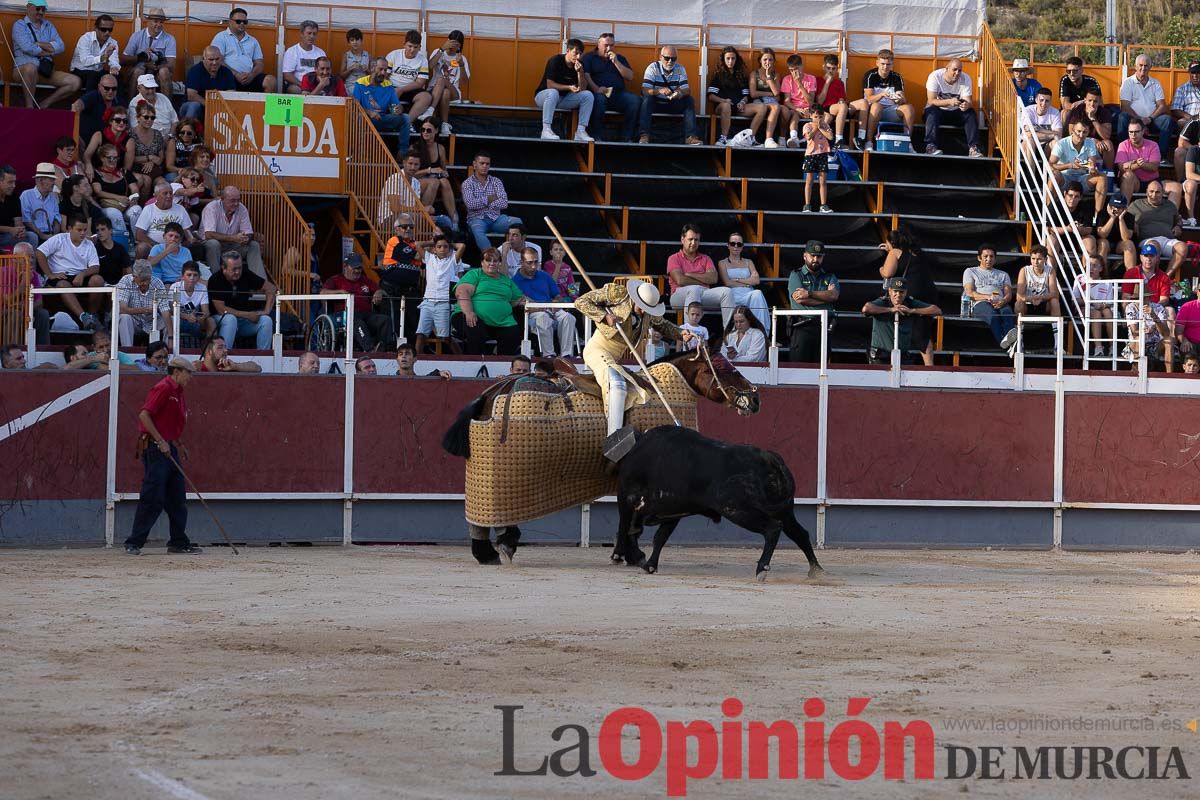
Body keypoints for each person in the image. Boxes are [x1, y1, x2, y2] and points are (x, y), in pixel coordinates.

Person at [574, 278, 692, 432]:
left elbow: (662, 325)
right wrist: (604, 316)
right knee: (617, 384)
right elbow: (581, 301)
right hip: (597, 349)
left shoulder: (648, 313)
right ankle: (613, 436)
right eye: (641, 307)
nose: (643, 312)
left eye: (647, 310)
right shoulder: (618, 294)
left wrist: (681, 333)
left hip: (614, 358)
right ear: (636, 299)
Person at [124, 356, 200, 555]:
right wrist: (160, 441)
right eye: (188, 373)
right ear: (176, 372)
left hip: (168, 446)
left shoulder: (178, 391)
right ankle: (134, 542)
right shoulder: (164, 387)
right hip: (155, 447)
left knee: (177, 497)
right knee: (153, 497)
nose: (190, 377)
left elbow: (169, 422)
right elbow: (144, 415)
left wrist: (178, 443)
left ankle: (178, 542)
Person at [878, 227, 939, 366]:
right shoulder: (917, 253)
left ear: (892, 243)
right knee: (923, 333)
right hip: (929, 294)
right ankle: (930, 367)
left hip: (910, 293)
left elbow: (887, 273)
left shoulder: (895, 252)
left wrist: (881, 266)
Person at [35, 214, 104, 330]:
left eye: (85, 230)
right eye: (79, 230)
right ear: (69, 229)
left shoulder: (89, 244)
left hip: (80, 275)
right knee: (63, 284)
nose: (82, 233)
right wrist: (50, 274)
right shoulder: (59, 239)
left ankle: (92, 316)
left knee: (98, 280)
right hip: (60, 276)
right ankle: (83, 317)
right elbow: (39, 253)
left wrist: (82, 274)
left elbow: (95, 267)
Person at [451, 248, 525, 355]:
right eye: (488, 260)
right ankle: (475, 363)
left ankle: (500, 363)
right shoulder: (475, 274)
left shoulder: (506, 280)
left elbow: (519, 298)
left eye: (495, 261)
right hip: (471, 316)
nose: (492, 263)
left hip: (503, 321)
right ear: (482, 262)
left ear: (499, 263)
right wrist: (469, 312)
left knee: (513, 334)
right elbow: (462, 292)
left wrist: (539, 305)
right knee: (475, 330)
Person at [11, 0, 80, 108]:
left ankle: (44, 104)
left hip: (45, 71)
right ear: (28, 7)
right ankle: (29, 108)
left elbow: (61, 46)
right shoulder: (19, 25)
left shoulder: (49, 25)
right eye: (38, 8)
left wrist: (38, 44)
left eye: (43, 9)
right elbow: (28, 48)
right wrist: (50, 50)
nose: (41, 12)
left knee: (75, 82)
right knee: (30, 68)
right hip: (22, 70)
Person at [321, 252, 395, 352]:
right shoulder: (335, 280)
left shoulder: (365, 280)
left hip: (366, 314)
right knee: (357, 322)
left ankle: (387, 350)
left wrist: (378, 292)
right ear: (345, 266)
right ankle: (371, 350)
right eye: (354, 268)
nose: (357, 271)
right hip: (344, 315)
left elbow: (379, 289)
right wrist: (339, 292)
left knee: (385, 320)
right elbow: (322, 293)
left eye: (359, 268)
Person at [513, 247, 576, 358]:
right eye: (529, 262)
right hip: (533, 313)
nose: (533, 266)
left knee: (569, 317)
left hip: (551, 307)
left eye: (536, 262)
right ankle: (549, 355)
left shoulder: (548, 274)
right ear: (521, 262)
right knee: (543, 317)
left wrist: (558, 302)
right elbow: (518, 303)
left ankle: (567, 356)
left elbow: (560, 294)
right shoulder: (515, 281)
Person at [862, 276, 942, 364]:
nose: (898, 295)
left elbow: (937, 310)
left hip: (903, 357)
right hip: (880, 357)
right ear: (889, 291)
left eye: (901, 292)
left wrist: (912, 311)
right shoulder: (883, 302)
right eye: (895, 291)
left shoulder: (910, 303)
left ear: (906, 292)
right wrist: (890, 309)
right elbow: (866, 309)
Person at [207, 250, 275, 350]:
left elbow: (271, 288)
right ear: (224, 268)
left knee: (266, 320)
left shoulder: (246, 274)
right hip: (221, 320)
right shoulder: (215, 279)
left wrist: (266, 311)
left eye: (240, 268)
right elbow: (221, 310)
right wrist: (247, 315)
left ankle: (262, 357)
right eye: (234, 269)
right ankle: (223, 357)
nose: (238, 272)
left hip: (243, 321)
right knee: (230, 319)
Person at [667, 223, 733, 326]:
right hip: (678, 296)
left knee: (727, 292)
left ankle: (730, 336)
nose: (693, 243)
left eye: (696, 240)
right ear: (682, 239)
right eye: (690, 239)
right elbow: (680, 280)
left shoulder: (705, 258)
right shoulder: (674, 258)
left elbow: (713, 278)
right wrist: (703, 278)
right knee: (694, 289)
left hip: (703, 293)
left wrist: (690, 274)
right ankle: (689, 335)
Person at [850, 49, 915, 152]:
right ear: (877, 63)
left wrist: (899, 99)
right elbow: (869, 98)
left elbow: (903, 99)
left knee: (909, 108)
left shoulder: (897, 77)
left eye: (888, 64)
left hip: (891, 110)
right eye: (883, 64)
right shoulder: (870, 75)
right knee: (877, 106)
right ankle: (869, 142)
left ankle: (907, 142)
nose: (885, 67)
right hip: (872, 111)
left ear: (892, 64)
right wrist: (882, 95)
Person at [787, 240, 840, 362]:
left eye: (819, 256)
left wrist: (809, 293)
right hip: (802, 327)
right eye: (813, 255)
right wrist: (826, 300)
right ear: (805, 255)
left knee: (821, 371)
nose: (815, 259)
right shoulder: (796, 275)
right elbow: (801, 300)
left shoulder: (829, 276)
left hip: (824, 327)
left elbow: (834, 295)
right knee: (798, 370)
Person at [582, 33, 640, 143]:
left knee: (634, 100)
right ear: (598, 44)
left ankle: (626, 137)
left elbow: (630, 76)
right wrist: (596, 89)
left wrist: (616, 62)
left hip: (617, 94)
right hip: (598, 93)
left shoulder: (620, 58)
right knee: (599, 99)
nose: (609, 48)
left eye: (612, 45)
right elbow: (586, 76)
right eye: (606, 45)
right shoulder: (589, 57)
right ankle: (596, 135)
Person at [962, 242, 1019, 354]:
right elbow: (969, 292)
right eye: (985, 256)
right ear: (979, 258)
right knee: (993, 316)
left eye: (991, 256)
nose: (989, 259)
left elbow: (1008, 294)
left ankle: (1010, 345)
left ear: (995, 259)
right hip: (980, 303)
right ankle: (1008, 346)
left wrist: (1003, 300)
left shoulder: (1003, 274)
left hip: (1000, 302)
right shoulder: (970, 271)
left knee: (1007, 312)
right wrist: (988, 297)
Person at [414, 233, 465, 355]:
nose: (442, 249)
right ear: (435, 249)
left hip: (443, 303)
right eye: (439, 247)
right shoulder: (429, 258)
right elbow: (417, 244)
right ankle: (416, 360)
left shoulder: (453, 259)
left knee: (445, 337)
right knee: (421, 334)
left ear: (449, 248)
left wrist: (446, 242)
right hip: (427, 301)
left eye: (445, 247)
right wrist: (435, 242)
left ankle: (462, 357)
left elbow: (462, 246)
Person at [639, 45, 700, 145]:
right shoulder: (652, 68)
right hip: (655, 104)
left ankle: (690, 137)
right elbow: (644, 89)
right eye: (667, 58)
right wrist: (658, 91)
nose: (670, 61)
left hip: (672, 103)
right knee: (647, 99)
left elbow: (687, 90)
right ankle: (644, 135)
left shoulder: (680, 68)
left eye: (673, 58)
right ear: (660, 57)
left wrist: (680, 93)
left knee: (689, 100)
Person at [462, 151, 521, 255]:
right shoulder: (467, 184)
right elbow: (470, 204)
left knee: (517, 222)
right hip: (476, 219)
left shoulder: (496, 181)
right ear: (475, 164)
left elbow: (504, 203)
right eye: (482, 163)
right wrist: (490, 199)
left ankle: (515, 255)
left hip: (496, 219)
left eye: (487, 164)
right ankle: (491, 257)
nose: (485, 166)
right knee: (478, 231)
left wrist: (483, 203)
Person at [706, 46, 767, 147]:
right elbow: (711, 96)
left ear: (736, 59)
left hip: (738, 108)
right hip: (722, 107)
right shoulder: (718, 75)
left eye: (733, 58)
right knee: (726, 106)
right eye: (728, 58)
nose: (730, 61)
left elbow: (746, 95)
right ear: (723, 60)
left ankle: (749, 138)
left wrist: (743, 102)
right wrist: (724, 100)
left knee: (762, 107)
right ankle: (723, 139)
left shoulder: (741, 75)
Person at [535, 39, 593, 142]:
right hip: (544, 97)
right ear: (567, 51)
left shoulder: (580, 64)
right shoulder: (556, 60)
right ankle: (546, 130)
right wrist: (569, 87)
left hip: (564, 99)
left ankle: (580, 131)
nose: (578, 57)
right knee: (553, 92)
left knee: (588, 95)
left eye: (580, 54)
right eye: (575, 53)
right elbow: (550, 84)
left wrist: (580, 73)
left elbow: (583, 89)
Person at [199, 186, 263, 279]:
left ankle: (260, 283)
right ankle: (216, 281)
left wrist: (246, 238)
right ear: (222, 199)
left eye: (238, 200)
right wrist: (234, 238)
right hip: (212, 245)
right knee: (213, 244)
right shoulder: (211, 208)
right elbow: (209, 234)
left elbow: (249, 232)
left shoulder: (242, 208)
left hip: (232, 245)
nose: (236, 203)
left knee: (253, 245)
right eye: (232, 200)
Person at [353, 57, 412, 156]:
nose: (383, 73)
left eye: (385, 70)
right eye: (380, 69)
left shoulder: (388, 85)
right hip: (367, 120)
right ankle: (360, 153)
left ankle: (402, 153)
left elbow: (395, 106)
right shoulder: (360, 83)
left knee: (406, 117)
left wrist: (398, 109)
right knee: (359, 116)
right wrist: (369, 112)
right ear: (372, 68)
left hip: (383, 119)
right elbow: (355, 106)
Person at [1127, 180, 1187, 276]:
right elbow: (1126, 220)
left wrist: (1178, 226)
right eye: (1151, 191)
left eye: (1157, 192)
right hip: (1147, 240)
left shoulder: (1170, 206)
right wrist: (1133, 225)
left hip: (1167, 240)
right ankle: (1153, 278)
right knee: (1154, 245)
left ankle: (1165, 277)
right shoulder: (1136, 204)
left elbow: (1178, 219)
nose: (1154, 195)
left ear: (1163, 193)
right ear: (1146, 191)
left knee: (1183, 247)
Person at [923, 59, 982, 157]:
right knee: (931, 111)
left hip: (956, 113)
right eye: (954, 70)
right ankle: (930, 146)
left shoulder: (966, 78)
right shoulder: (935, 76)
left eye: (960, 70)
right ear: (946, 69)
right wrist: (949, 102)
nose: (957, 73)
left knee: (970, 113)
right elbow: (931, 100)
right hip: (939, 112)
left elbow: (968, 100)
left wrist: (966, 105)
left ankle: (973, 148)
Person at [1118, 54, 1173, 158]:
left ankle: (1161, 157)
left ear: (1150, 67)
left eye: (1146, 65)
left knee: (1167, 120)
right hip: (1133, 120)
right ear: (1135, 66)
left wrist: (1150, 118)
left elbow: (1162, 106)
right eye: (1141, 65)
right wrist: (1140, 121)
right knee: (1122, 117)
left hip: (1151, 120)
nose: (1143, 68)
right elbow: (1125, 106)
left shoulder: (1155, 83)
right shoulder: (1128, 82)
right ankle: (1123, 155)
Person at [211, 8, 275, 93]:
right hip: (228, 76)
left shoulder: (253, 41)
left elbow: (259, 63)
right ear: (230, 22)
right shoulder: (221, 37)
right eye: (238, 21)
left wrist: (252, 75)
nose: (242, 24)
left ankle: (264, 107)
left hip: (249, 77)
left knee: (271, 80)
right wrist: (236, 74)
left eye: (245, 22)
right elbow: (218, 61)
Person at [1049, 120, 1107, 212]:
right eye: (1079, 131)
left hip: (1082, 178)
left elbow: (1092, 162)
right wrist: (1069, 165)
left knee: (1102, 177)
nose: (1081, 135)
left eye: (1084, 132)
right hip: (1065, 177)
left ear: (1088, 132)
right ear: (1072, 130)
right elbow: (1050, 165)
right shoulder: (1062, 143)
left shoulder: (1090, 142)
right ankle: (1049, 212)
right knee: (1054, 175)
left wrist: (1092, 168)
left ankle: (1097, 216)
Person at [717, 233, 770, 333]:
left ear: (742, 247)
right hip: (732, 295)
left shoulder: (748, 262)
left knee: (757, 293)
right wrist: (747, 282)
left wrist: (737, 280)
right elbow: (727, 282)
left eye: (739, 244)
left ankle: (762, 334)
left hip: (748, 293)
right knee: (755, 294)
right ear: (728, 245)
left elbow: (756, 280)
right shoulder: (722, 263)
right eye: (733, 243)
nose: (736, 246)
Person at [121, 7, 175, 101]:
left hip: (157, 74)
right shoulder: (136, 36)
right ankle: (131, 106)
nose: (158, 25)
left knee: (164, 72)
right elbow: (123, 60)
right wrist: (141, 57)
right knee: (138, 71)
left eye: (161, 22)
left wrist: (156, 66)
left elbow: (171, 64)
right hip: (138, 72)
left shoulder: (169, 39)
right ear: (148, 21)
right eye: (155, 21)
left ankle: (167, 108)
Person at [115, 259, 170, 346]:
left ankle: (169, 348)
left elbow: (165, 310)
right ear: (134, 276)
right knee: (124, 317)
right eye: (141, 280)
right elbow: (122, 309)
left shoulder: (158, 283)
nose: (145, 283)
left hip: (152, 321)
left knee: (170, 319)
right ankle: (128, 350)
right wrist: (142, 310)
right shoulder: (125, 281)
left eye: (147, 279)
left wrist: (171, 337)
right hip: (134, 322)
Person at [413, 120, 457, 229]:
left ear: (436, 131)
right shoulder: (415, 147)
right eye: (423, 130)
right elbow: (411, 174)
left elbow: (444, 169)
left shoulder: (440, 148)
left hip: (434, 180)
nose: (425, 132)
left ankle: (454, 220)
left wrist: (443, 172)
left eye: (428, 130)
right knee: (435, 182)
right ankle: (422, 217)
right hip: (417, 181)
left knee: (444, 181)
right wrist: (429, 170)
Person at [128, 90, 174, 194]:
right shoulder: (130, 134)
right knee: (146, 181)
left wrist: (152, 161)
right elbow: (128, 159)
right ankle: (141, 207)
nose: (149, 120)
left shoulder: (157, 134)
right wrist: (149, 157)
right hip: (136, 169)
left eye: (152, 117)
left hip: (154, 169)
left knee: (163, 185)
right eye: (146, 117)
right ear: (138, 118)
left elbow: (160, 157)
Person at [1071, 253, 1116, 358]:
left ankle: (1112, 346)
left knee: (1108, 312)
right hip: (1083, 309)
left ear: (1101, 268)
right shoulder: (1080, 279)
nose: (1091, 268)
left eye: (1095, 265)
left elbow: (1110, 303)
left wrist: (1101, 305)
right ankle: (1098, 348)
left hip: (1101, 309)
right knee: (1096, 313)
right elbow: (1075, 301)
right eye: (1089, 264)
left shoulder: (1107, 283)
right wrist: (1090, 302)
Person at [133, 182, 193, 259]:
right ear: (156, 196)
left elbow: (187, 231)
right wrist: (160, 247)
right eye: (165, 193)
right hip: (154, 247)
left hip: (175, 248)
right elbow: (139, 235)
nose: (169, 196)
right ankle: (139, 270)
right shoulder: (149, 209)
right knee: (142, 247)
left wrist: (191, 239)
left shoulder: (180, 209)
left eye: (171, 193)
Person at [384, 29, 433, 122]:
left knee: (426, 97)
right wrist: (391, 89)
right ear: (404, 44)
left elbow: (420, 82)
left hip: (410, 89)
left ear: (420, 47)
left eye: (416, 47)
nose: (412, 50)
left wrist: (401, 89)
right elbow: (384, 76)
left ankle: (407, 123)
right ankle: (393, 121)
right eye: (409, 46)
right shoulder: (394, 55)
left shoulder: (422, 60)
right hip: (392, 87)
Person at [427, 31, 468, 138]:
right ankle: (445, 125)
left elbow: (464, 82)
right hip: (435, 90)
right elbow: (430, 67)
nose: (452, 46)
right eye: (451, 42)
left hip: (454, 92)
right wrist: (442, 49)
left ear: (460, 45)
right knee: (445, 92)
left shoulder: (461, 58)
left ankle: (430, 109)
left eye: (456, 44)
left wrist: (461, 65)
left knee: (442, 80)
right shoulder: (438, 51)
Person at [72, 74, 127, 151]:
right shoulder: (93, 96)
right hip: (85, 142)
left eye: (114, 89)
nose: (110, 91)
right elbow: (75, 106)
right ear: (99, 87)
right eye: (107, 88)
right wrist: (76, 135)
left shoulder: (120, 103)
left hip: (108, 145)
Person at [1064, 88, 1116, 168]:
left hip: (1099, 147)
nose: (1092, 104)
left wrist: (1092, 118)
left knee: (1108, 144)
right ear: (1085, 100)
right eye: (1089, 100)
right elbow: (1072, 133)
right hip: (1080, 142)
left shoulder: (1104, 112)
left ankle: (1109, 174)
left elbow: (1106, 136)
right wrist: (1092, 141)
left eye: (1095, 101)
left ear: (1099, 102)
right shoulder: (1077, 111)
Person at [69, 14, 120, 93]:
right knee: (93, 76)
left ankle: (118, 104)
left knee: (118, 77)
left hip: (97, 72)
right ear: (96, 28)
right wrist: (104, 57)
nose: (107, 33)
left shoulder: (113, 42)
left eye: (110, 30)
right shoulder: (85, 39)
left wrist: (114, 68)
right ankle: (88, 103)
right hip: (79, 70)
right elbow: (85, 61)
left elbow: (114, 59)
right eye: (103, 29)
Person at [180, 46, 235, 119]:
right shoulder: (195, 71)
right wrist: (211, 106)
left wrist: (220, 107)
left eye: (217, 59)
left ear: (221, 58)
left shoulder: (227, 72)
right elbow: (191, 95)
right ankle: (186, 128)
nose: (214, 63)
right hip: (194, 107)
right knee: (194, 106)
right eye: (211, 60)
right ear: (203, 59)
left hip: (219, 108)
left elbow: (232, 94)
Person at [1169, 63, 1200, 183]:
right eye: (1192, 73)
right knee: (1179, 152)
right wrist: (1191, 118)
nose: (1195, 75)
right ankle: (1182, 182)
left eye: (1197, 72)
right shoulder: (1183, 89)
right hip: (1190, 124)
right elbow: (1175, 109)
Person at [748, 49, 785, 148]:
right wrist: (770, 93)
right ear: (760, 60)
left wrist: (769, 77)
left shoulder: (775, 75)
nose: (767, 62)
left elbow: (777, 93)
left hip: (772, 102)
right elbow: (753, 94)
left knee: (781, 109)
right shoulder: (754, 74)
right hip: (759, 102)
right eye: (765, 59)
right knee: (775, 107)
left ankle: (776, 139)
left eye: (770, 60)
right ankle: (763, 139)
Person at [170, 260, 214, 342]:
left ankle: (208, 346)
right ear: (182, 276)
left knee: (210, 321)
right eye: (189, 275)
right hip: (179, 320)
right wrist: (187, 317)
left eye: (195, 275)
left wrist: (202, 317)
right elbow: (172, 310)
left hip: (195, 320)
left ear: (199, 277)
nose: (192, 278)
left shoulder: (202, 288)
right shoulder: (175, 287)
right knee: (172, 320)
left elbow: (206, 311)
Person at [779, 54, 817, 147]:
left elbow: (811, 102)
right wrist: (797, 109)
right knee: (795, 115)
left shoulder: (811, 79)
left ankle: (807, 139)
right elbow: (787, 101)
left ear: (802, 66)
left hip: (809, 108)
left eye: (796, 69)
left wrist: (799, 83)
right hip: (794, 108)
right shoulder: (787, 79)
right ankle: (794, 137)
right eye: (791, 70)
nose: (794, 73)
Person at [1014, 245, 1061, 317]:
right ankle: (1019, 327)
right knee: (1018, 303)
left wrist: (1041, 298)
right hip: (1028, 303)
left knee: (1055, 301)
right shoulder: (1024, 270)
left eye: (1039, 259)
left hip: (1044, 302)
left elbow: (1054, 294)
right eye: (1033, 258)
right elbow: (1019, 295)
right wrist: (1032, 299)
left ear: (1045, 259)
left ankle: (1056, 327)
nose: (1035, 262)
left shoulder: (1050, 270)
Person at [801, 112, 834, 213]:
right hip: (811, 155)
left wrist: (821, 127)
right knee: (809, 180)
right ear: (811, 116)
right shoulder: (807, 126)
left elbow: (830, 137)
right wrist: (816, 127)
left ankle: (823, 205)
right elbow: (808, 137)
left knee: (823, 181)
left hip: (823, 154)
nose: (818, 119)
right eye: (815, 117)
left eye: (820, 117)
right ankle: (807, 205)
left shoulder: (825, 125)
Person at [282, 19, 325, 94]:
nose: (312, 36)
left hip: (317, 85)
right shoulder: (292, 51)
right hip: (298, 85)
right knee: (295, 90)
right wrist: (304, 86)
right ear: (301, 34)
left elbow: (325, 72)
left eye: (314, 34)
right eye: (309, 33)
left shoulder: (320, 53)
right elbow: (287, 75)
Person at [20, 163, 61, 243]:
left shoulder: (53, 197)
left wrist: (55, 236)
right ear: (40, 180)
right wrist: (42, 235)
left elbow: (57, 219)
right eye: (51, 180)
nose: (54, 183)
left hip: (50, 235)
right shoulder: (26, 195)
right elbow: (27, 220)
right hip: (34, 235)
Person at [815, 54, 849, 148]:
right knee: (836, 111)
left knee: (843, 106)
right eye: (828, 68)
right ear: (823, 67)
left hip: (835, 108)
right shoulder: (817, 80)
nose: (830, 71)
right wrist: (827, 82)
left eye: (833, 69)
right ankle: (838, 139)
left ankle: (838, 140)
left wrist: (841, 102)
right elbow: (820, 101)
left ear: (837, 69)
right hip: (822, 107)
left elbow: (841, 100)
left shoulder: (840, 83)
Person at [0, 166, 37, 249]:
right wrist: (10, 230)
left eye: (14, 182)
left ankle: (28, 262)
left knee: (32, 237)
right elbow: (11, 230)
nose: (14, 185)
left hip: (8, 236)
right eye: (10, 182)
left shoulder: (14, 197)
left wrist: (20, 231)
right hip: (6, 233)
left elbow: (18, 222)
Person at [93, 216, 130, 285]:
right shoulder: (94, 249)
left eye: (103, 229)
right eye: (97, 230)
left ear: (110, 230)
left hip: (119, 286)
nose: (100, 233)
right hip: (101, 286)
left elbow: (128, 269)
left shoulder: (120, 248)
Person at [195, 333, 261, 372]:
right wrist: (191, 369)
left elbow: (257, 368)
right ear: (209, 351)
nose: (226, 350)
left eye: (225, 347)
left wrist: (235, 366)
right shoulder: (197, 368)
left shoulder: (228, 366)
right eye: (220, 347)